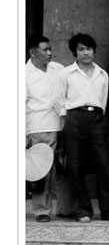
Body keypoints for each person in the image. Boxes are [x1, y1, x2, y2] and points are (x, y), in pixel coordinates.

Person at [58, 33, 109, 222]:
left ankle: (108, 210)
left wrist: (97, 116)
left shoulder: (102, 74)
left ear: (94, 50)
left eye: (89, 49)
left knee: (104, 163)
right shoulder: (66, 73)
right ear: (75, 53)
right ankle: (82, 210)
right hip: (74, 117)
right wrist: (65, 124)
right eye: (81, 49)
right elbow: (59, 100)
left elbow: (103, 100)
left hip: (97, 118)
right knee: (75, 165)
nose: (86, 53)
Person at [25, 35, 68, 222]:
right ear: (33, 52)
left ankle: (66, 207)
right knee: (42, 171)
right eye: (45, 50)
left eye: (50, 49)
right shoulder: (23, 74)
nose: (49, 53)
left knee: (65, 166)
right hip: (38, 126)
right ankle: (41, 210)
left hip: (61, 123)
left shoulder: (58, 69)